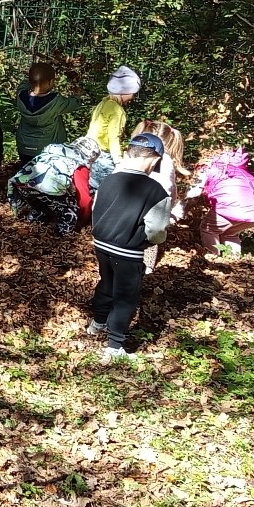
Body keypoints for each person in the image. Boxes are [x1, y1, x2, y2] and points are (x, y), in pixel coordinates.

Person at [88, 132, 174, 362]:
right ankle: (115, 346)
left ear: (129, 153)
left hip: (101, 244)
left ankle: (97, 323)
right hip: (128, 250)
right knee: (126, 295)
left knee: (107, 283)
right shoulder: (156, 191)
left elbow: (96, 210)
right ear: (155, 159)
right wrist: (148, 241)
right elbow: (157, 230)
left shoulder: (108, 180)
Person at [181, 146, 254, 257]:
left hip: (233, 207)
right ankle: (234, 260)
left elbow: (193, 194)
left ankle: (212, 259)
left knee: (208, 229)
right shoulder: (238, 169)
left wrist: (181, 211)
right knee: (230, 233)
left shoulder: (207, 167)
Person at [7, 137, 100, 235]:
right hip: (46, 188)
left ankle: (30, 224)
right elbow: (84, 200)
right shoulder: (79, 164)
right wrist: (82, 220)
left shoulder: (53, 150)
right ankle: (62, 235)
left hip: (22, 183)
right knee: (70, 210)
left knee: (40, 204)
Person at [131, 119, 189, 272]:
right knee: (151, 237)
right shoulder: (166, 160)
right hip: (153, 205)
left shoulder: (135, 153)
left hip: (131, 201)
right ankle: (146, 269)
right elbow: (170, 188)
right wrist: (169, 207)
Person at [15, 62, 86, 168]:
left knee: (26, 172)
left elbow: (23, 85)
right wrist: (77, 96)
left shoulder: (21, 96)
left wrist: (32, 78)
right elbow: (73, 104)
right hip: (47, 149)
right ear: (51, 82)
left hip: (24, 146)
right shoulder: (56, 101)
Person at [86, 65, 140, 164]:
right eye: (133, 93)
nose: (133, 98)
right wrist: (118, 160)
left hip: (89, 148)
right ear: (124, 91)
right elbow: (114, 137)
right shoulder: (117, 110)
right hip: (102, 153)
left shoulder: (104, 102)